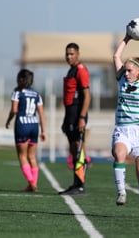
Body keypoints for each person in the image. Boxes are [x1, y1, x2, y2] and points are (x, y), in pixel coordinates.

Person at [111, 21, 139, 218]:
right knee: (119, 155)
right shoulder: (121, 80)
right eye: (125, 70)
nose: (126, 73)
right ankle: (121, 192)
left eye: (130, 70)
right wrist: (127, 38)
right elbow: (116, 56)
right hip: (123, 130)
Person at [59, 42, 91, 195]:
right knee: (73, 149)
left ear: (78, 54)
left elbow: (87, 95)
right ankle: (76, 183)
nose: (69, 56)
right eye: (67, 54)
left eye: (71, 54)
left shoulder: (81, 70)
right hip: (70, 114)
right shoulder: (71, 70)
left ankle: (80, 185)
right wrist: (66, 120)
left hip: (78, 114)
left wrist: (82, 117)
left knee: (78, 150)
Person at [5, 69, 46, 192]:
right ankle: (33, 184)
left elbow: (14, 110)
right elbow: (42, 114)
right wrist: (43, 131)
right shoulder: (37, 94)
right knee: (32, 157)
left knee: (22, 156)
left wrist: (8, 120)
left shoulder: (17, 92)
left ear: (21, 79)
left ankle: (31, 183)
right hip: (34, 125)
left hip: (22, 125)